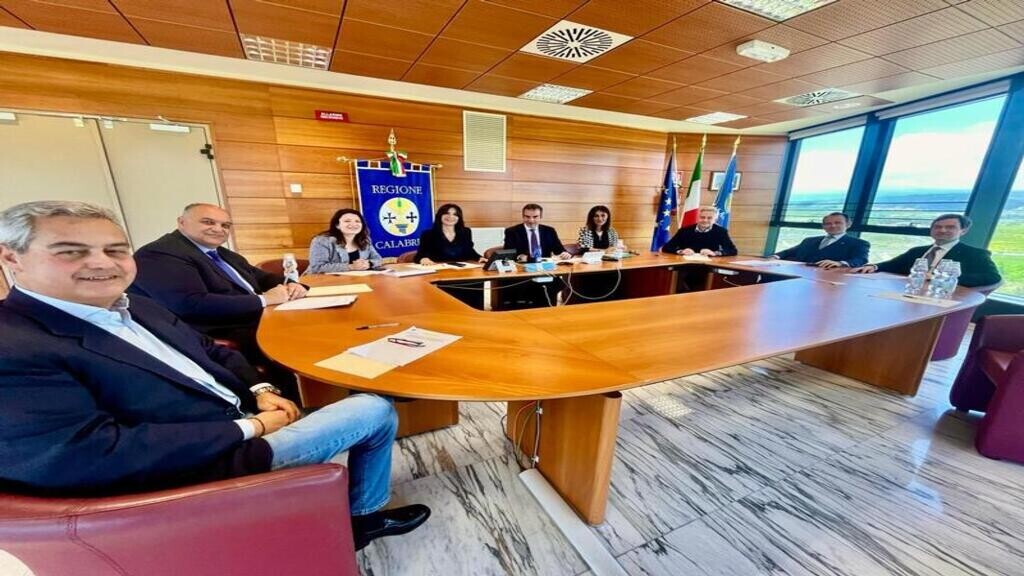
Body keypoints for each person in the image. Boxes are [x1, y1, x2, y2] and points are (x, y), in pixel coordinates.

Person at [0, 201, 429, 551]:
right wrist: (251, 427)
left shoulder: (133, 305)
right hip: (200, 464)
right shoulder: (13, 345)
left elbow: (209, 350)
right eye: (71, 251)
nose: (102, 263)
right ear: (11, 258)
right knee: (374, 408)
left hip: (237, 416)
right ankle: (361, 519)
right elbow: (87, 455)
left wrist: (261, 388)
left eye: (115, 250)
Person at [131, 203, 307, 398]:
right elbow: (192, 304)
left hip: (249, 318)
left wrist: (292, 285)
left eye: (225, 225)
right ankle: (294, 400)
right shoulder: (160, 254)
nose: (218, 229)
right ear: (181, 222)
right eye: (208, 222)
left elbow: (260, 277)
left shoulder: (220, 253)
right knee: (294, 342)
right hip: (215, 329)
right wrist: (265, 299)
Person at [851, 214, 1001, 287]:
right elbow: (893, 264)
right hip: (911, 292)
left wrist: (939, 278)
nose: (942, 230)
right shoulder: (917, 251)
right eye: (937, 227)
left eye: (950, 227)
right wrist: (874, 266)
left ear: (963, 231)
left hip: (941, 297)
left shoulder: (975, 254)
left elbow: (992, 277)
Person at [772, 212, 869, 268]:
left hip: (829, 278)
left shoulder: (859, 243)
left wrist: (840, 263)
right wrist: (774, 256)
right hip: (799, 273)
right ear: (823, 226)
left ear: (848, 224)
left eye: (838, 223)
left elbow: (861, 259)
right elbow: (789, 252)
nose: (832, 226)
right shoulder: (809, 240)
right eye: (828, 223)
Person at [306, 209, 383, 274]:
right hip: (323, 281)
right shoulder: (322, 241)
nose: (353, 224)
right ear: (337, 225)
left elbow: (378, 259)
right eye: (347, 221)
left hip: (356, 281)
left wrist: (369, 263)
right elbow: (317, 267)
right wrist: (351, 267)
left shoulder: (365, 240)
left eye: (357, 221)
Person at [414, 203, 484, 264]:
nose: (451, 217)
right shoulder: (428, 234)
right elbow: (420, 255)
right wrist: (423, 259)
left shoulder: (466, 232)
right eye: (447, 213)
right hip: (439, 270)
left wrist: (479, 258)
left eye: (455, 214)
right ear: (440, 216)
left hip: (462, 270)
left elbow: (470, 251)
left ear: (459, 218)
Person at [503, 203, 571, 262]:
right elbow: (508, 253)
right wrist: (519, 257)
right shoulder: (512, 232)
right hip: (522, 266)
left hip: (545, 266)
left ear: (541, 217)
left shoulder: (549, 231)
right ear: (523, 216)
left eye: (535, 217)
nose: (531, 220)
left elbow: (559, 250)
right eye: (527, 217)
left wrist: (564, 254)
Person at [660, 206, 738, 257]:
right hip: (685, 264)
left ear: (715, 220)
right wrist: (681, 251)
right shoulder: (684, 230)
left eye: (709, 218)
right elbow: (666, 248)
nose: (705, 220)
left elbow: (733, 250)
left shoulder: (721, 232)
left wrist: (715, 253)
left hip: (710, 265)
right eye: (702, 217)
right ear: (698, 217)